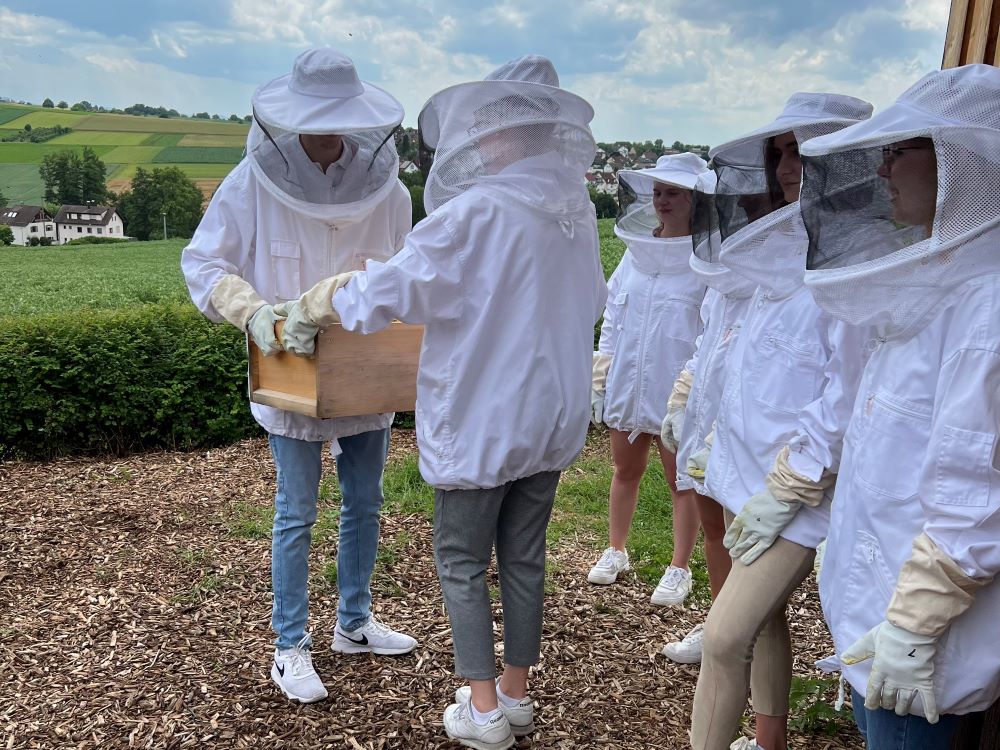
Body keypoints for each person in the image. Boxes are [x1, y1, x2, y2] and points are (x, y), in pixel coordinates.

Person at [271, 55, 605, 749]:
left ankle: (482, 710)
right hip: (552, 416)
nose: (479, 139)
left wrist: (323, 299)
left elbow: (392, 291)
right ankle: (514, 694)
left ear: (515, 132)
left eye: (489, 125)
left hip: (487, 417)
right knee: (523, 558)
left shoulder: (481, 211)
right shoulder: (573, 211)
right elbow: (590, 303)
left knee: (459, 560)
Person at [181, 48, 417, 705]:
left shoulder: (388, 191)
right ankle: (290, 647)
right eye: (316, 118)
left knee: (365, 503)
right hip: (289, 370)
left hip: (367, 373)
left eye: (339, 118)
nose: (328, 131)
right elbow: (203, 264)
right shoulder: (252, 182)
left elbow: (406, 273)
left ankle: (355, 622)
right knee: (296, 513)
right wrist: (251, 311)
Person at [793, 63, 1000, 750]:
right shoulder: (937, 283)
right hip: (882, 620)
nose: (882, 171)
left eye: (897, 149)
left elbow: (978, 488)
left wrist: (914, 625)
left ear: (959, 156)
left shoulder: (988, 307)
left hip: (926, 646)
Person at [685, 92, 874, 750]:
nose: (791, 164)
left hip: (795, 493)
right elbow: (741, 368)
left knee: (723, 636)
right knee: (763, 623)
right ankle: (769, 738)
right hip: (746, 472)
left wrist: (790, 485)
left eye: (804, 149)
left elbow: (846, 394)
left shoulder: (855, 263)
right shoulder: (775, 254)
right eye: (782, 151)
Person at [587, 154, 710, 608]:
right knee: (625, 468)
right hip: (630, 379)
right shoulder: (636, 256)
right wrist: (603, 370)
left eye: (673, 192)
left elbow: (709, 327)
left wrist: (690, 387)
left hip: (677, 384)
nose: (662, 201)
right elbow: (616, 314)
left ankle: (680, 567)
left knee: (682, 481)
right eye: (658, 192)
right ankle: (616, 549)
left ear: (695, 200)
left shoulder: (703, 261)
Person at [659, 170, 757, 664]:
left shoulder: (774, 286)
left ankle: (741, 638)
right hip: (705, 426)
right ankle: (720, 625)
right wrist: (681, 398)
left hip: (748, 437)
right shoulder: (721, 283)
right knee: (714, 529)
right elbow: (705, 347)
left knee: (745, 542)